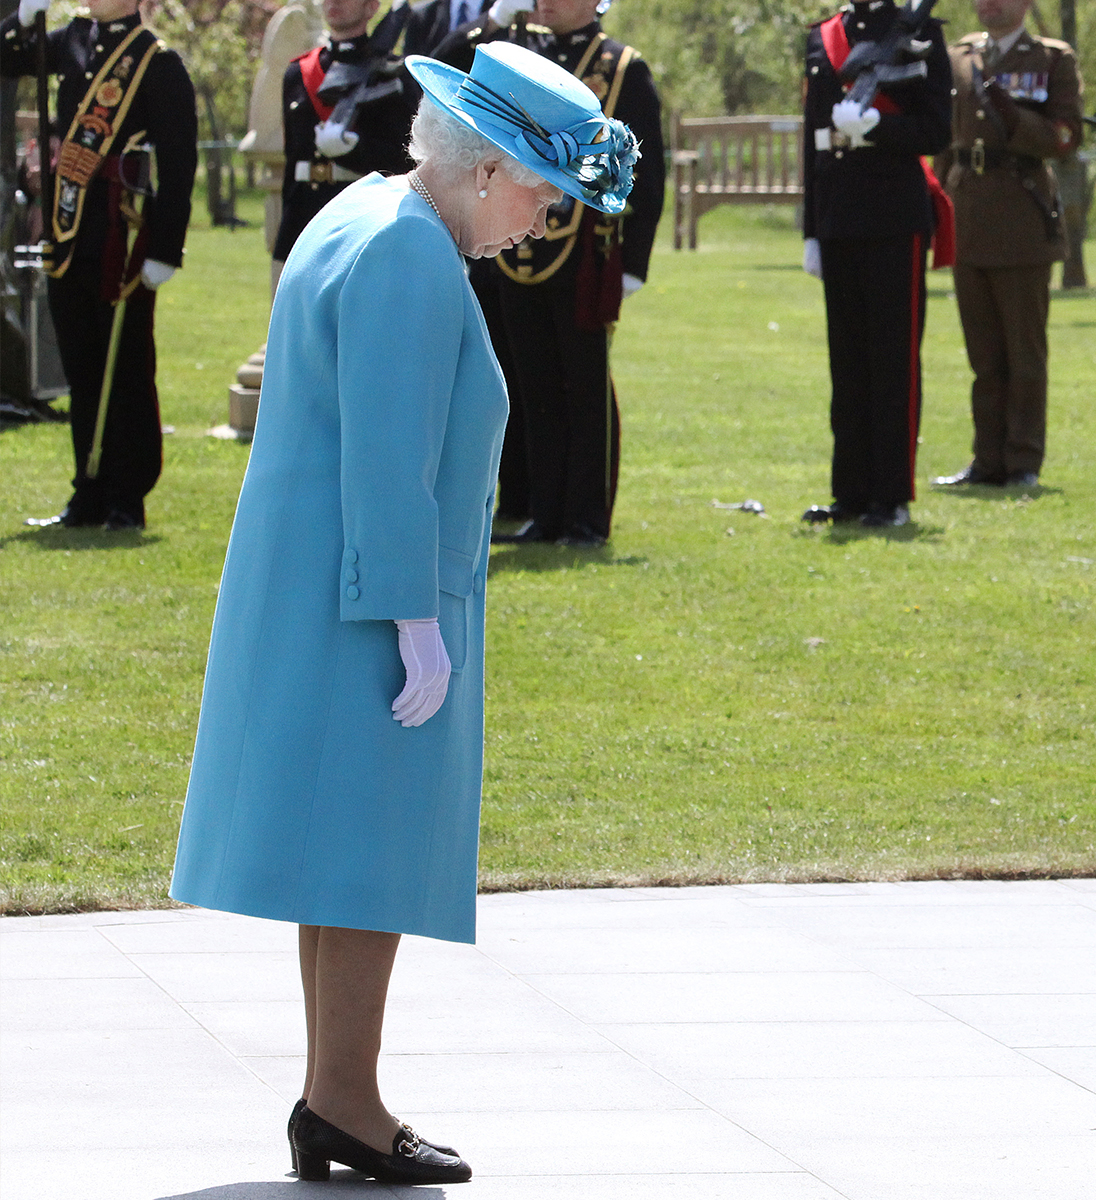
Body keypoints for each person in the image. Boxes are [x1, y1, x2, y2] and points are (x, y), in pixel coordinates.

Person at [167, 42, 636, 1184]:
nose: (542, 223)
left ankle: (337, 1098)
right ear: (485, 171)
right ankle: (348, 1103)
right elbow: (389, 456)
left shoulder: (368, 211)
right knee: (367, 857)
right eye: (541, 195)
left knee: (337, 859)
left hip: (318, 587)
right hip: (363, 602)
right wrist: (413, 615)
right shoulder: (409, 257)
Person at [437, 0, 663, 546]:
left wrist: (633, 263)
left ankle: (586, 519)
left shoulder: (621, 65)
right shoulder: (522, 53)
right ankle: (544, 510)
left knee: (584, 385)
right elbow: (439, 70)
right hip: (519, 247)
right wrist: (491, 20)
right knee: (530, 383)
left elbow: (648, 172)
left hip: (586, 253)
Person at [2, 0, 196, 532]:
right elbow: (6, 58)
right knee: (82, 367)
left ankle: (125, 496)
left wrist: (165, 249)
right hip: (69, 232)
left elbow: (180, 163)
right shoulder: (69, 42)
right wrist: (22, 19)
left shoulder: (158, 62)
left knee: (127, 366)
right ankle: (86, 491)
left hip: (122, 235)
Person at [800, 0, 952, 529]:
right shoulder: (823, 36)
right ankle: (851, 492)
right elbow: (811, 138)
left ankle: (891, 495)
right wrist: (811, 228)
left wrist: (877, 127)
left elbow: (936, 131)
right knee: (847, 363)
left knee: (893, 363)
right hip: (839, 213)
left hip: (893, 216)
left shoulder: (920, 32)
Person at [931, 0, 1080, 492]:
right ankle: (986, 460)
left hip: (1022, 216)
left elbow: (1064, 136)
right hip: (968, 214)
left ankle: (1022, 461)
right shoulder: (960, 56)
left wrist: (1014, 122)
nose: (988, 5)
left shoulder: (1052, 59)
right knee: (984, 355)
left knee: (1024, 352)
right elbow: (944, 137)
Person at [273, 0, 419, 265]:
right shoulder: (299, 72)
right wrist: (285, 235)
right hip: (304, 220)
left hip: (365, 220)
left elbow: (405, 160)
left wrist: (356, 151)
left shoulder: (394, 73)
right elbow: (292, 161)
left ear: (372, 7)